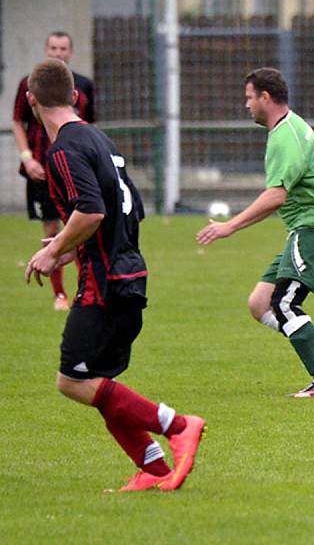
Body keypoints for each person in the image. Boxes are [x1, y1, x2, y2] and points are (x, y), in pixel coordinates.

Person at [23, 58, 205, 492]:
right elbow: (130, 209)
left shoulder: (63, 149)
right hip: (128, 272)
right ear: (74, 96)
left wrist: (56, 252)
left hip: (104, 283)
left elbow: (91, 210)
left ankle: (178, 425)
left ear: (31, 100)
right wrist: (71, 247)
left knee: (73, 380)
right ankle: (155, 469)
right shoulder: (99, 139)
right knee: (99, 383)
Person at [196, 67, 314, 398]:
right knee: (260, 303)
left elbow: (276, 196)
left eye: (249, 98)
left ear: (265, 97)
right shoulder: (288, 127)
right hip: (313, 227)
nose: (247, 105)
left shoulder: (285, 135)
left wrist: (230, 226)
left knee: (283, 303)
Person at [13, 31, 95, 311]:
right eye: (53, 47)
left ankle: (85, 290)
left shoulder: (84, 86)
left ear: (70, 53)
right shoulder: (29, 84)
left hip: (73, 168)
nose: (58, 52)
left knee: (84, 225)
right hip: (41, 169)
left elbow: (90, 125)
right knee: (51, 227)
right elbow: (18, 123)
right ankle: (59, 294)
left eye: (63, 48)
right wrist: (27, 159)